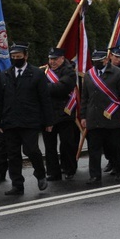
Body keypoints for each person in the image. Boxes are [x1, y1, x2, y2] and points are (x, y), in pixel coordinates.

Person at [0, 42, 54, 195]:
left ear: (26, 56)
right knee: (13, 155)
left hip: (29, 121)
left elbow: (44, 99)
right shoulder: (4, 75)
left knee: (32, 150)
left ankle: (40, 175)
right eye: (13, 57)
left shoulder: (37, 74)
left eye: (19, 57)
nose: (15, 59)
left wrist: (48, 121)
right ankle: (17, 184)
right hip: (10, 122)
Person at [81, 49, 120, 184]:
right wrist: (83, 116)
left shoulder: (118, 73)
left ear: (106, 60)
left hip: (113, 117)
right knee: (94, 149)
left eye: (100, 61)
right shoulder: (88, 75)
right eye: (95, 61)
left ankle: (119, 170)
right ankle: (95, 175)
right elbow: (84, 97)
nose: (97, 63)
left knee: (115, 147)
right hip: (94, 118)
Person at [43, 47, 78, 181]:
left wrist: (43, 88)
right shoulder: (44, 71)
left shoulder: (69, 71)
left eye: (55, 59)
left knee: (67, 144)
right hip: (48, 115)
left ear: (62, 58)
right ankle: (53, 172)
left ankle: (69, 168)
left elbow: (62, 88)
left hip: (65, 114)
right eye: (51, 59)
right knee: (50, 146)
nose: (52, 62)